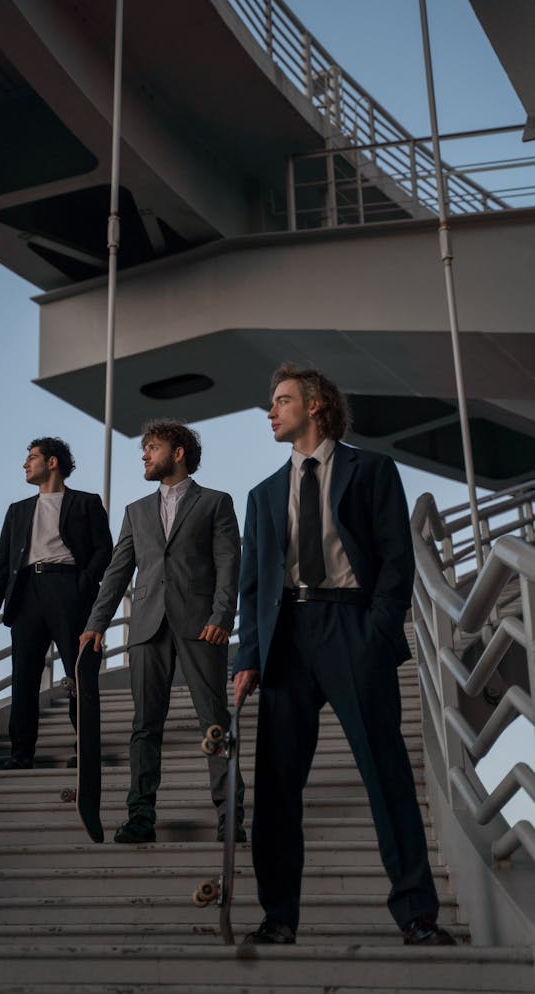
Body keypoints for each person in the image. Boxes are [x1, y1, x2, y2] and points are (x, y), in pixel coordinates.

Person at [233, 364, 456, 947]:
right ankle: (278, 917)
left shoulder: (373, 470)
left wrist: (379, 632)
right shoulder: (261, 496)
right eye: (271, 402)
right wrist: (247, 657)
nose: (271, 411)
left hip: (352, 627)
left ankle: (417, 915)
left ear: (316, 406)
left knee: (385, 775)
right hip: (285, 638)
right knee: (277, 788)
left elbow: (394, 558)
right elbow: (252, 586)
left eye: (281, 401)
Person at [80, 419, 243, 844]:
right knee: (144, 725)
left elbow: (229, 563)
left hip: (201, 626)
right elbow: (118, 572)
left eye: (152, 447)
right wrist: (96, 623)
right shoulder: (136, 511)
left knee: (215, 721)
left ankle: (230, 814)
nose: (144, 455)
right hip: (148, 626)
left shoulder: (216, 503)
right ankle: (140, 816)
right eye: (145, 449)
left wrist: (223, 617)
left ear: (178, 452)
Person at [0, 437, 112, 769]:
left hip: (68, 588)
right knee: (23, 676)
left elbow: (104, 549)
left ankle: (86, 750)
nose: (25, 464)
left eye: (32, 457)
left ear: (52, 462)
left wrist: (83, 582)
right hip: (26, 593)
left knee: (79, 672)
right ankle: (21, 754)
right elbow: (4, 559)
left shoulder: (86, 502)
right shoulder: (17, 510)